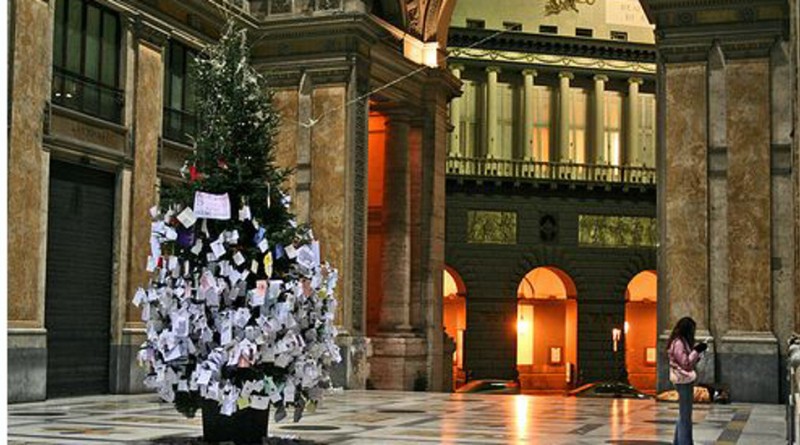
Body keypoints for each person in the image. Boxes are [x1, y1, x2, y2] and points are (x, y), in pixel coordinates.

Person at [667, 317, 707, 445]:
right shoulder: (678, 342)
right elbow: (686, 363)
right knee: (685, 416)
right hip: (683, 379)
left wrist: (696, 352)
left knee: (683, 414)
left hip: (683, 379)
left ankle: (678, 442)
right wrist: (696, 350)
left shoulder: (680, 341)